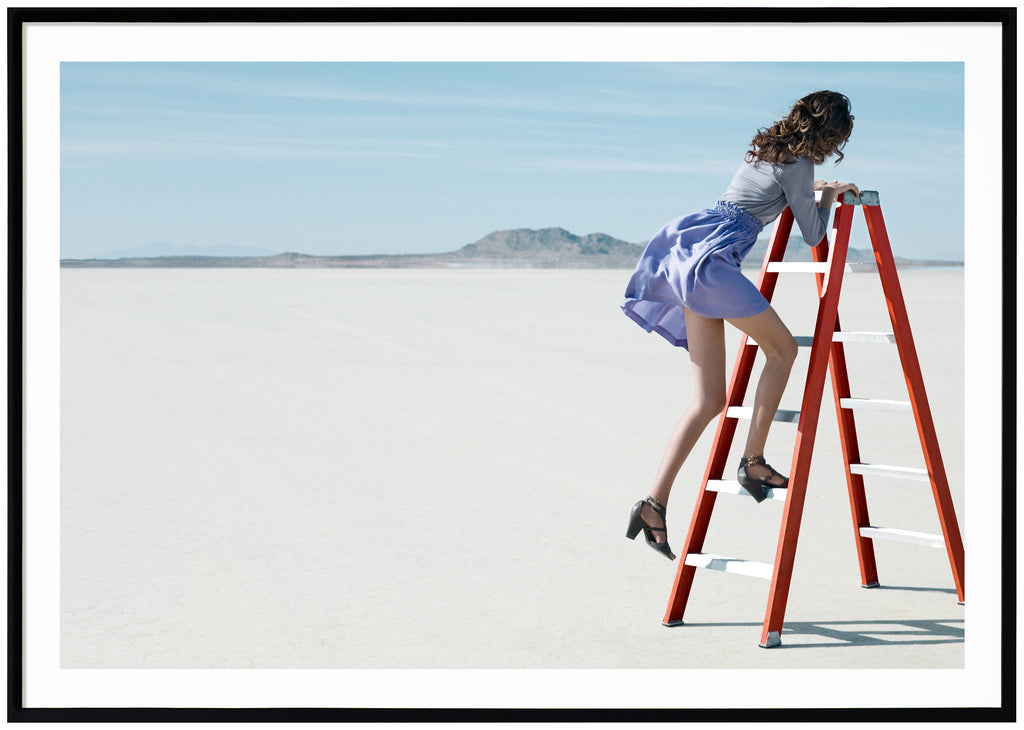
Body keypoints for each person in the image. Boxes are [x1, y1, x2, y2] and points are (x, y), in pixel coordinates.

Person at [621, 90, 859, 561]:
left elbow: (771, 191)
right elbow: (814, 234)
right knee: (785, 350)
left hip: (690, 250)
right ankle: (752, 462)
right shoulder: (801, 166)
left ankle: (654, 502)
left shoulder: (765, 149)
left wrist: (813, 188)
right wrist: (829, 193)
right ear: (831, 132)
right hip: (714, 265)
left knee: (709, 399)